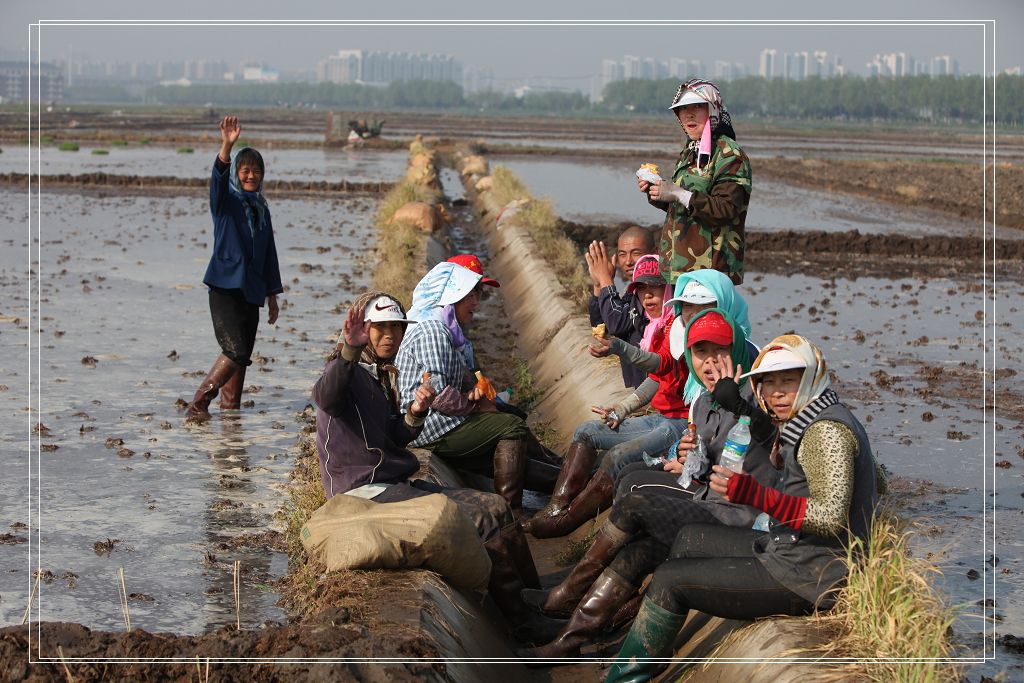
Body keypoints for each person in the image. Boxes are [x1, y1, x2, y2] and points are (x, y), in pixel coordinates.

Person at [603, 335, 884, 682]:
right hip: (790, 546)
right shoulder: (814, 414)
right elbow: (877, 482)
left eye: (789, 381)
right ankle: (646, 645)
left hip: (811, 574)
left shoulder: (825, 431)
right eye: (769, 383)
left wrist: (754, 495)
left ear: (812, 377)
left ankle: (624, 676)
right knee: (690, 539)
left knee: (670, 580)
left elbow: (828, 518)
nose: (777, 393)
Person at [517, 309, 780, 660]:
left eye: (720, 351)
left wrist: (739, 404)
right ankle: (570, 637)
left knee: (637, 503)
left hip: (739, 520)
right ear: (689, 356)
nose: (709, 362)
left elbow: (770, 436)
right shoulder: (702, 400)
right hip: (708, 502)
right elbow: (702, 465)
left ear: (736, 352)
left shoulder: (756, 395)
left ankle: (569, 603)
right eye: (700, 353)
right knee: (640, 548)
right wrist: (686, 457)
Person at [311, 290, 558, 642]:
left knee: (497, 506)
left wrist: (416, 411)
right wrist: (349, 349)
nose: (390, 336)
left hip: (394, 485)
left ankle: (535, 600)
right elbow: (325, 397)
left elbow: (396, 439)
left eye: (396, 329)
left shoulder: (380, 377)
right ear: (362, 331)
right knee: (481, 517)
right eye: (380, 329)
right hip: (365, 493)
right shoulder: (345, 373)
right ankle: (524, 625)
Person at [523, 255, 686, 539]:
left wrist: (620, 348)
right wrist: (622, 409)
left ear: (670, 291)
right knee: (586, 430)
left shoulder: (679, 328)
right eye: (641, 288)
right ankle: (555, 507)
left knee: (617, 457)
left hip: (679, 425)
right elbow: (657, 380)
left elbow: (658, 364)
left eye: (656, 288)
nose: (648, 294)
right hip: (661, 418)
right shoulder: (657, 328)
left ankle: (566, 522)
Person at [396, 257, 558, 519]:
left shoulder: (446, 330)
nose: (476, 302)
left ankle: (566, 479)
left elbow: (456, 379)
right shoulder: (433, 331)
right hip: (429, 425)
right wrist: (474, 406)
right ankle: (512, 512)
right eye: (470, 295)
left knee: (501, 446)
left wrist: (473, 394)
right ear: (452, 295)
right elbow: (436, 393)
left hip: (440, 421)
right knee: (511, 426)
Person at [186, 116, 283, 424]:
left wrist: (272, 296)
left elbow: (269, 254)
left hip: (252, 292)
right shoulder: (225, 204)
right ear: (237, 174)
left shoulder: (262, 209)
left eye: (256, 171)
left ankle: (231, 414)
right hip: (225, 288)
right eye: (245, 170)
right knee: (236, 350)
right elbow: (217, 178)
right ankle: (199, 404)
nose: (250, 175)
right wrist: (227, 146)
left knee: (242, 358)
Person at [637, 78, 751, 285]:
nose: (689, 114)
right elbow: (685, 207)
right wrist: (657, 191)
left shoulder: (728, 154)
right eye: (683, 108)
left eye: (698, 107)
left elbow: (726, 208)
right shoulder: (691, 151)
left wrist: (678, 193)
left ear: (713, 110)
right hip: (680, 269)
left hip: (710, 271)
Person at [586, 226, 657, 388]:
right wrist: (598, 286)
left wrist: (605, 281)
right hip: (641, 389)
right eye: (622, 254)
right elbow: (604, 330)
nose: (628, 261)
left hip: (655, 390)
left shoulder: (654, 290)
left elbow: (617, 322)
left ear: (655, 252)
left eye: (636, 253)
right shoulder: (631, 291)